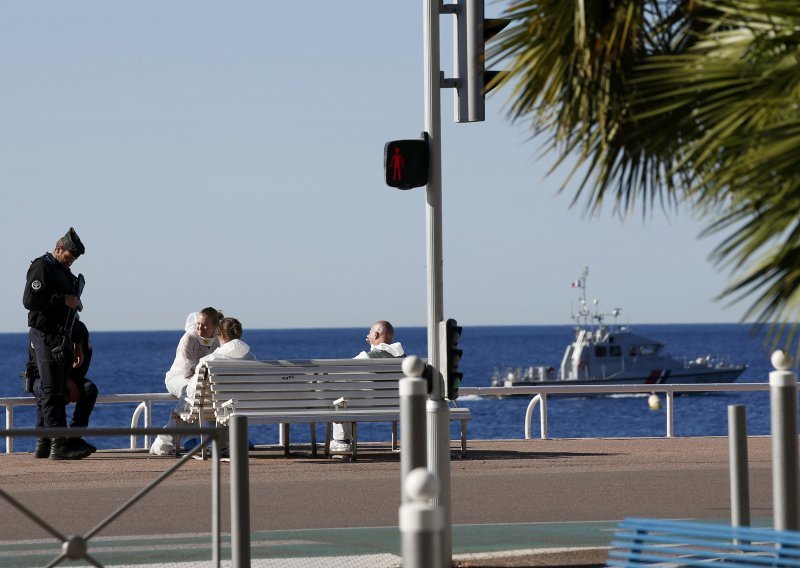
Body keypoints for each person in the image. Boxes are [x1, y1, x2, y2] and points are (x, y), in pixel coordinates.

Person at [23, 227, 94, 460]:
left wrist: (78, 342)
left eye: (74, 259)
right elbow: (30, 300)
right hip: (43, 333)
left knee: (57, 387)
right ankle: (58, 444)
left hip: (60, 335)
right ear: (58, 248)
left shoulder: (64, 273)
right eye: (69, 257)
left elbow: (71, 316)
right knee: (51, 389)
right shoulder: (42, 267)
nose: (71, 262)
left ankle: (49, 442)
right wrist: (63, 299)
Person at [149, 307, 223, 456]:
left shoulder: (217, 341)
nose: (200, 327)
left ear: (215, 327)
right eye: (199, 323)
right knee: (189, 392)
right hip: (178, 377)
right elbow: (187, 367)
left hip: (201, 380)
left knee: (212, 396)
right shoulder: (189, 338)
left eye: (205, 325)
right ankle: (163, 441)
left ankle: (220, 439)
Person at [26, 319, 99, 458]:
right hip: (40, 378)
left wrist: (70, 380)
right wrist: (65, 382)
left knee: (89, 389)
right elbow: (42, 367)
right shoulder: (41, 330)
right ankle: (44, 441)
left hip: (67, 377)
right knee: (50, 390)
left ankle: (74, 439)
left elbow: (83, 362)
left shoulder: (80, 330)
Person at [330, 320, 405, 454]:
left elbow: (339, 376)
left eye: (369, 332)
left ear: (376, 335)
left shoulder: (365, 357)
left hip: (364, 406)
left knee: (339, 395)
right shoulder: (403, 358)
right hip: (400, 406)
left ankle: (342, 442)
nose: (367, 335)